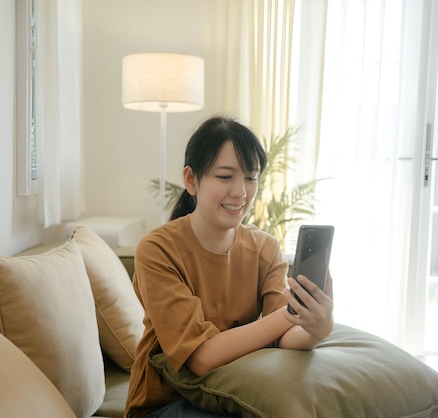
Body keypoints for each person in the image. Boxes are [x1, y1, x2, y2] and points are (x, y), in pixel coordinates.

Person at [124, 115, 335, 417]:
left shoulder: (265, 248)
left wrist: (316, 326)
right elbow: (201, 357)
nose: (241, 192)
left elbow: (286, 338)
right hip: (166, 402)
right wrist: (292, 314)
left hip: (235, 393)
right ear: (191, 180)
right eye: (225, 177)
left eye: (251, 178)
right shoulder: (158, 250)